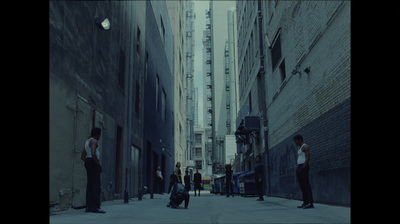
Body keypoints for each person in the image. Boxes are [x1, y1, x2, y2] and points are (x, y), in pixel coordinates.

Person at [82, 127, 106, 213]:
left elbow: (83, 156)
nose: (100, 136)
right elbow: (93, 153)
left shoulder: (87, 141)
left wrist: (87, 163)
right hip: (93, 162)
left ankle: (88, 206)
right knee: (96, 185)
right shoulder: (94, 141)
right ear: (97, 134)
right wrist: (97, 164)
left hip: (88, 162)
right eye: (99, 134)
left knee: (90, 185)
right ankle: (96, 207)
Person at [294, 134, 314, 209]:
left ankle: (310, 203)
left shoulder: (305, 146)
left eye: (296, 141)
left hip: (303, 167)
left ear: (299, 140)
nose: (295, 143)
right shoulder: (300, 148)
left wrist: (303, 167)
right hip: (300, 167)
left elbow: (308, 157)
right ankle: (305, 202)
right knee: (302, 186)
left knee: (306, 185)